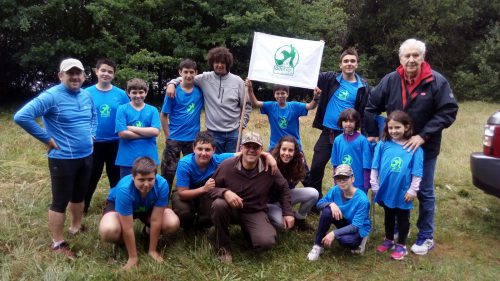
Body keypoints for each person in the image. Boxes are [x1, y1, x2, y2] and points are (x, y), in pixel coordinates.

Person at [364, 38, 458, 255]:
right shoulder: (390, 80)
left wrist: (423, 136)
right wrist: (374, 135)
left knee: (423, 191)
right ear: (400, 59)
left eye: (416, 55)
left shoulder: (436, 81)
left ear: (423, 58)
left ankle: (425, 235)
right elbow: (371, 106)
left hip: (424, 148)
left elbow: (448, 111)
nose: (411, 59)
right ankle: (396, 229)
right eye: (407, 56)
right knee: (394, 185)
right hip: (393, 149)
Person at [13, 58, 96, 259]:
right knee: (60, 201)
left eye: (79, 73)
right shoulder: (51, 96)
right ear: (61, 75)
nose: (75, 77)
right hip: (63, 159)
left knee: (79, 195)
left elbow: (94, 116)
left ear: (84, 76)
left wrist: (92, 133)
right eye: (70, 73)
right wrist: (47, 139)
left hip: (87, 155)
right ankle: (58, 243)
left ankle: (75, 227)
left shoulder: (86, 95)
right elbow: (21, 116)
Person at [208, 132, 293, 263]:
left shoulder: (270, 167)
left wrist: (288, 212)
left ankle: (250, 232)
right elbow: (210, 189)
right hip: (231, 210)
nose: (251, 150)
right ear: (241, 148)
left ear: (261, 150)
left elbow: (284, 188)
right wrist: (225, 192)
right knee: (219, 205)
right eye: (248, 146)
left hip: (255, 211)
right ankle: (223, 248)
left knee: (266, 242)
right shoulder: (227, 165)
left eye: (256, 147)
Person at [173, 131, 278, 231]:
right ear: (193, 148)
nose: (203, 153)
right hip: (186, 193)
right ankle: (189, 228)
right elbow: (182, 193)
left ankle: (202, 225)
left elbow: (244, 152)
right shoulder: (185, 164)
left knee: (215, 208)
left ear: (214, 150)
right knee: (184, 212)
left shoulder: (218, 159)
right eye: (200, 149)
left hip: (207, 193)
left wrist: (268, 155)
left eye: (207, 149)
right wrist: (203, 189)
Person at [310, 47, 370, 200]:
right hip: (328, 132)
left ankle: (348, 200)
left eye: (352, 61)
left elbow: (366, 111)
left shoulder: (363, 87)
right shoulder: (330, 79)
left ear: (357, 64)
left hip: (347, 135)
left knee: (346, 170)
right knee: (316, 166)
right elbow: (308, 74)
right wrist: (315, 49)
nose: (349, 63)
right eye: (346, 61)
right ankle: (316, 200)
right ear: (340, 64)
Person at [99, 157, 180, 270]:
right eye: (141, 180)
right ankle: (122, 241)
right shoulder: (124, 189)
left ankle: (147, 233)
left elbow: (156, 220)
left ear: (155, 177)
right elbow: (128, 227)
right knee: (108, 230)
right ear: (133, 177)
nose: (146, 184)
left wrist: (152, 251)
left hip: (148, 207)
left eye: (150, 179)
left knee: (172, 222)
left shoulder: (162, 185)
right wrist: (133, 257)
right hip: (121, 205)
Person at [166, 47, 251, 153]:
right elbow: (187, 77)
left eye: (222, 62)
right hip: (213, 133)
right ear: (212, 63)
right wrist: (172, 83)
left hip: (234, 133)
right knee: (214, 165)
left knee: (232, 164)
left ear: (227, 63)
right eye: (216, 62)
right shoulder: (205, 78)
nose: (219, 65)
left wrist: (242, 126)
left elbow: (246, 106)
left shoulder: (238, 81)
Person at [371, 111, 423, 260]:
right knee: (388, 216)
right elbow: (375, 166)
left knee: (402, 218)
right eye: (390, 128)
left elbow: (417, 172)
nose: (393, 131)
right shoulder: (382, 144)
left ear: (406, 127)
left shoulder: (415, 147)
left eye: (397, 127)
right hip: (386, 189)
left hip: (403, 191)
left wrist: (413, 190)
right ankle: (389, 239)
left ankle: (401, 245)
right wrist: (374, 185)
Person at [84, 58, 129, 213]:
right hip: (94, 143)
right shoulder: (86, 93)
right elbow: (82, 116)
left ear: (114, 74)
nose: (106, 74)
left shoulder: (121, 95)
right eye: (103, 70)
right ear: (96, 71)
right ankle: (83, 207)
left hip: (116, 142)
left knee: (116, 176)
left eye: (110, 71)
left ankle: (116, 206)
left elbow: (126, 115)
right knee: (91, 175)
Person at [307, 164, 371, 261]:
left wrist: (333, 233)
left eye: (345, 178)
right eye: (338, 178)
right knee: (327, 211)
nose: (341, 181)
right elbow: (319, 204)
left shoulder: (362, 200)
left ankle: (362, 241)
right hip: (345, 221)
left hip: (358, 227)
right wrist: (331, 204)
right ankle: (317, 246)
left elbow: (355, 226)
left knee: (345, 241)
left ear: (352, 179)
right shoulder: (335, 190)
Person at [160, 59, 204, 189]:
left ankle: (190, 199)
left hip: (193, 140)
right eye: (185, 72)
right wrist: (168, 136)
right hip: (174, 139)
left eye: (191, 72)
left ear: (196, 73)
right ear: (180, 72)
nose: (189, 75)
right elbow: (163, 115)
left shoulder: (200, 91)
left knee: (192, 171)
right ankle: (163, 201)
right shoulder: (172, 92)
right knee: (168, 173)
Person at [245, 80, 320, 151]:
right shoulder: (270, 106)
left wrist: (316, 97)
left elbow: (311, 106)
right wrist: (250, 89)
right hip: (275, 146)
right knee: (272, 164)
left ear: (287, 94)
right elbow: (255, 103)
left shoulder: (295, 106)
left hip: (294, 145)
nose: (280, 96)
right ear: (274, 95)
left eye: (283, 93)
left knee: (300, 165)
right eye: (277, 93)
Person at [268, 136, 319, 231]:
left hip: (285, 198)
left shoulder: (298, 162)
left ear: (295, 152)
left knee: (313, 193)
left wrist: (321, 202)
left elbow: (307, 178)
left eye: (290, 150)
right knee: (283, 226)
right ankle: (269, 218)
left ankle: (300, 219)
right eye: (284, 149)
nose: (287, 153)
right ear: (279, 149)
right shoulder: (270, 161)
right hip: (269, 202)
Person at [115, 78, 161, 178]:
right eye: (134, 92)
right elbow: (122, 134)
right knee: (127, 186)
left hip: (149, 157)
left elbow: (155, 131)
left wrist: (132, 128)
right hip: (127, 158)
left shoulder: (153, 110)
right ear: (128, 93)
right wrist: (147, 133)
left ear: (146, 92)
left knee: (148, 186)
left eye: (141, 92)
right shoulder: (122, 109)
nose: (138, 95)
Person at [330, 109, 372, 193]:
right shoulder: (337, 140)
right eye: (345, 121)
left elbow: (367, 165)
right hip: (342, 181)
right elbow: (335, 164)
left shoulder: (363, 141)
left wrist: (366, 183)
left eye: (351, 121)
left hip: (358, 182)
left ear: (356, 122)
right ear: (341, 122)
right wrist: (336, 181)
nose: (348, 124)